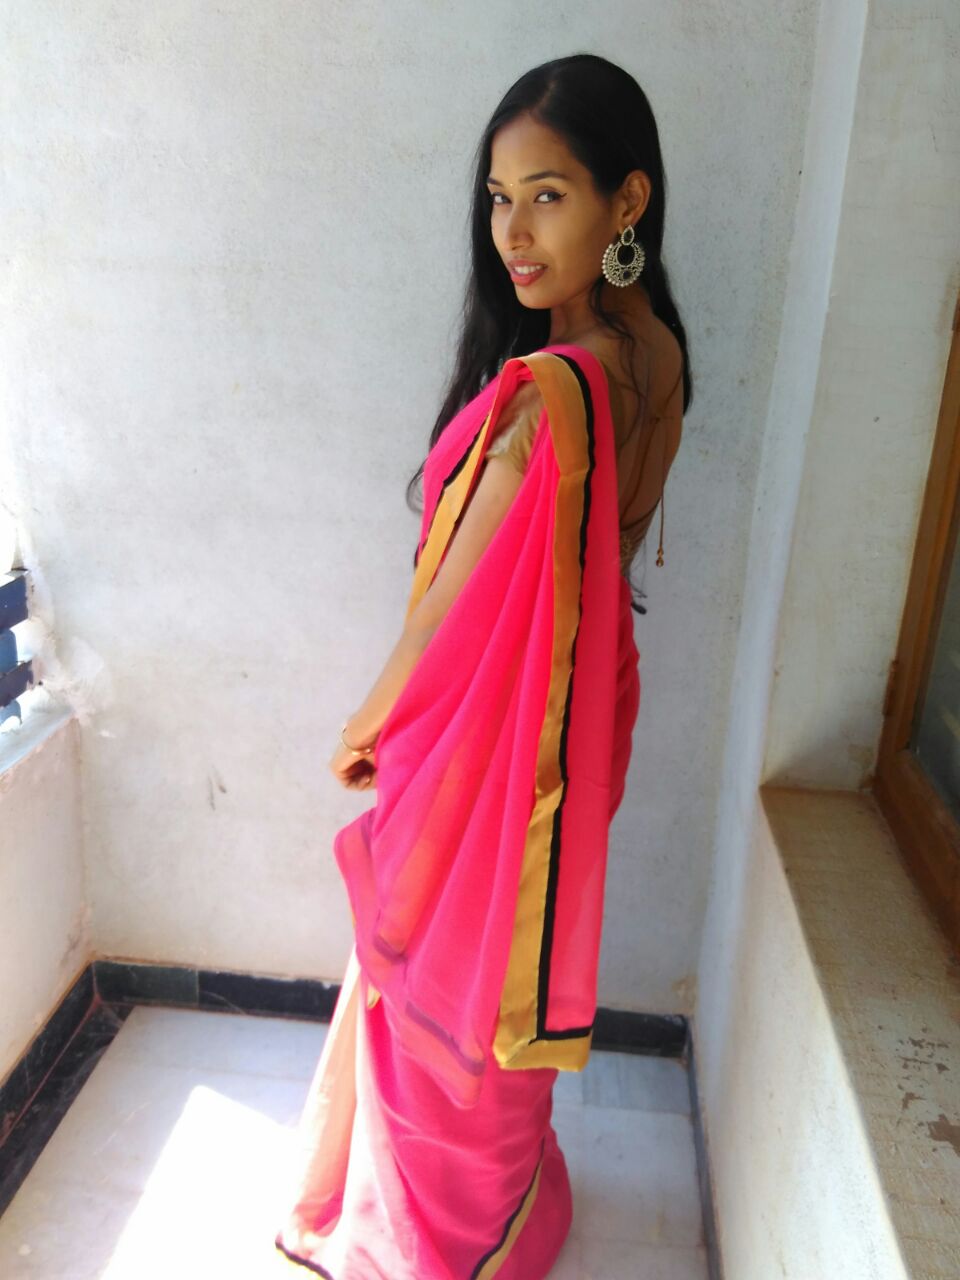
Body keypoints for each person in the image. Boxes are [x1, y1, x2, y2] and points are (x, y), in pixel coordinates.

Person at [274, 52, 692, 1280]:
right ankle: (499, 1197)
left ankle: (436, 1235)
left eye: (548, 195)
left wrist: (365, 724)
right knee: (511, 950)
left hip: (490, 718)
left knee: (443, 965)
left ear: (627, 200)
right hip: (586, 703)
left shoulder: (550, 391)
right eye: (500, 197)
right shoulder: (656, 352)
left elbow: (442, 619)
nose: (513, 231)